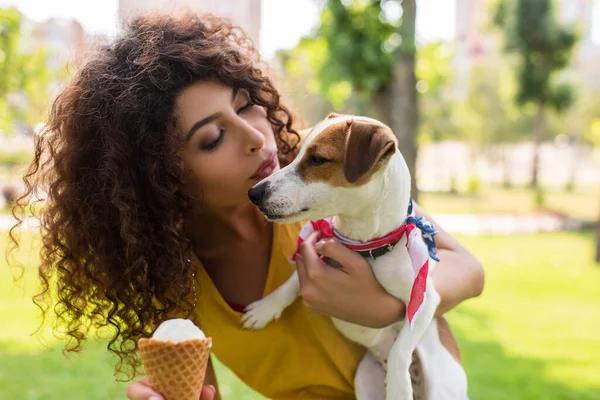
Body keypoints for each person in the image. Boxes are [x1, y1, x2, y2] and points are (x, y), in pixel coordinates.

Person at [11, 12, 484, 400]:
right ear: (161, 176)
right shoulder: (173, 279)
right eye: (213, 138)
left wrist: (385, 308)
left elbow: (468, 268)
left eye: (246, 105)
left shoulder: (324, 184)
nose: (257, 137)